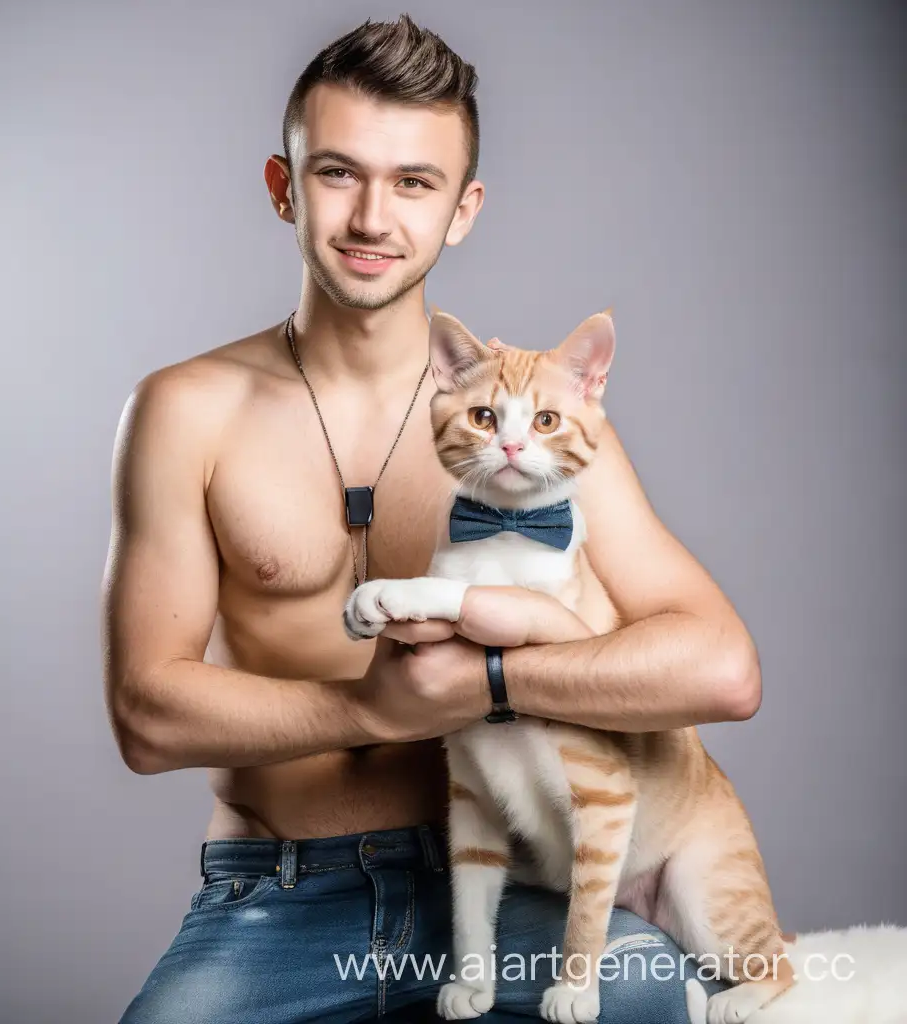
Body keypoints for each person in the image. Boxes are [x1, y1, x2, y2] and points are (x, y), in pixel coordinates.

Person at [103, 15, 760, 1023]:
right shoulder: (183, 410)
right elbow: (147, 716)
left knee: (647, 999)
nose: (373, 216)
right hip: (277, 895)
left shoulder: (534, 423)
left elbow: (718, 666)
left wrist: (495, 676)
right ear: (283, 186)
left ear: (461, 209)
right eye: (336, 173)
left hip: (502, 887)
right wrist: (367, 710)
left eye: (414, 182)